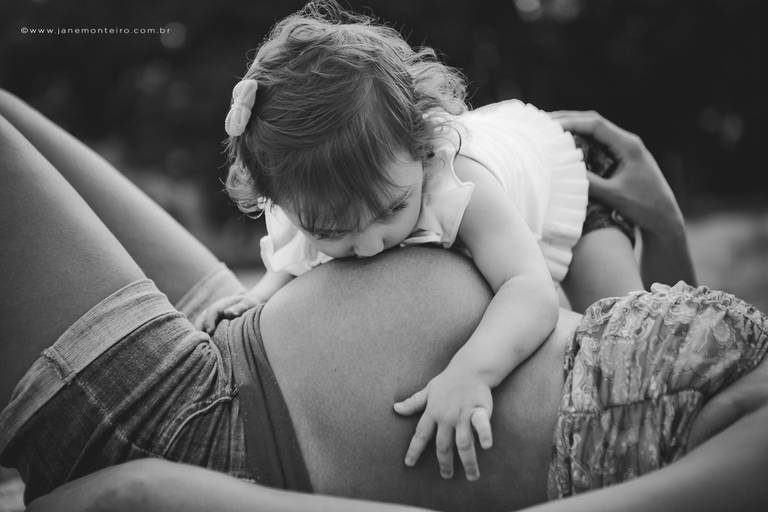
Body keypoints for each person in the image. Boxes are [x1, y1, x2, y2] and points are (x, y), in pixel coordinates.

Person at [1, 84, 766, 512]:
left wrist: (164, 495)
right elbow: (618, 344)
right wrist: (656, 222)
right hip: (234, 333)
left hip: (210, 445)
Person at [195, 3, 635, 477]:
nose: (367, 247)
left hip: (568, 174)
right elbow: (291, 259)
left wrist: (473, 372)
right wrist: (257, 297)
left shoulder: (459, 180)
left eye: (390, 210)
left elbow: (530, 289)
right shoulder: (312, 197)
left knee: (626, 344)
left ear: (421, 143)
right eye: (330, 231)